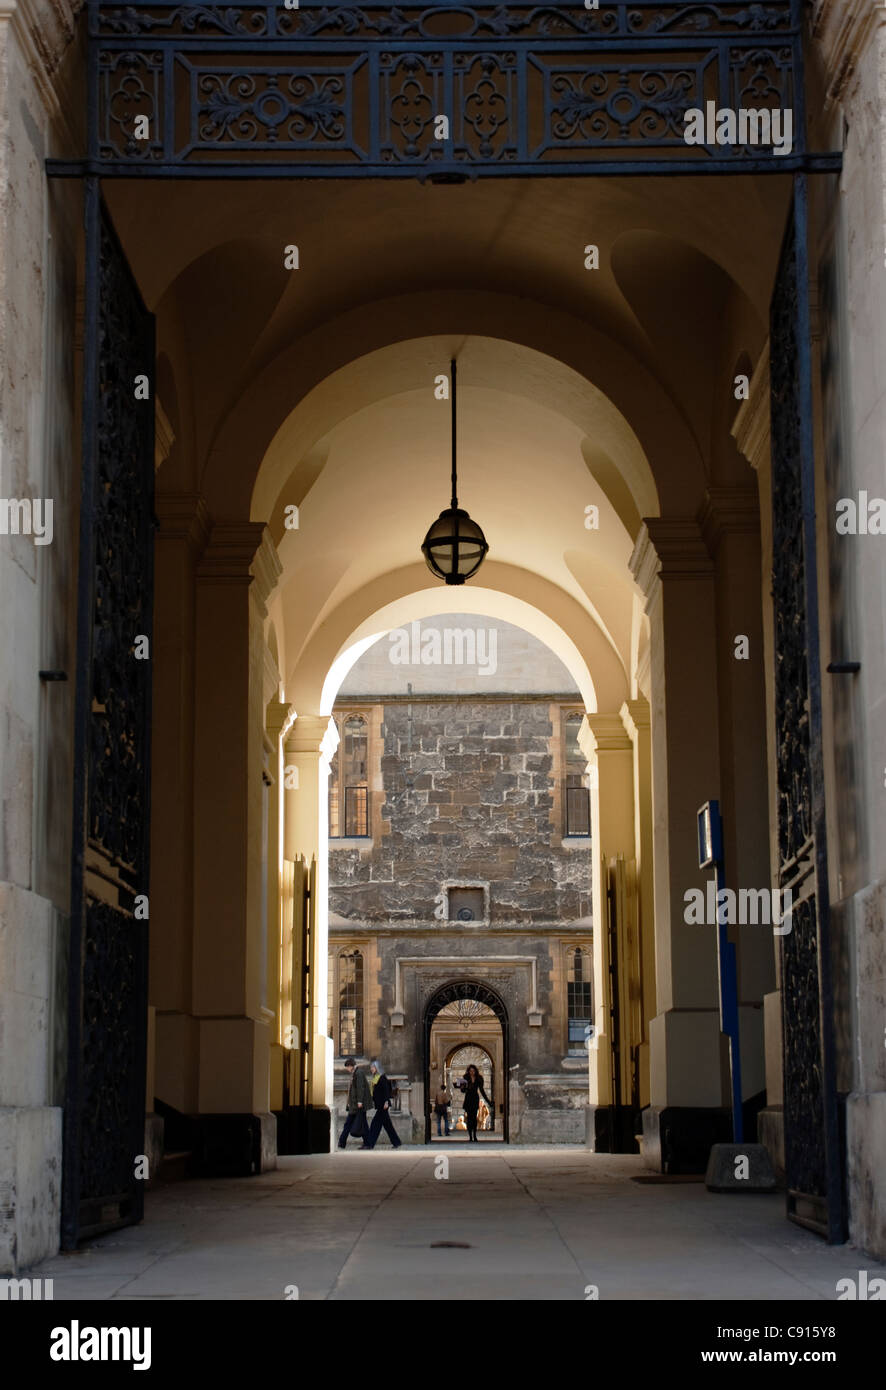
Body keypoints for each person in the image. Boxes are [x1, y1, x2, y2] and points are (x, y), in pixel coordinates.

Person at [365, 1059, 402, 1149]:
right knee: (387, 1125)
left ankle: (370, 1144)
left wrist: (386, 1102)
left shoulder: (382, 1077)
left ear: (377, 1068)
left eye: (372, 1067)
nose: (371, 1069)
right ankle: (396, 1142)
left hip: (383, 1105)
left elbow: (386, 1091)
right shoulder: (376, 1077)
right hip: (380, 1105)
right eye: (371, 1067)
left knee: (375, 1124)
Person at [337, 1056, 372, 1149]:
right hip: (355, 1105)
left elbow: (360, 1088)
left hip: (358, 1105)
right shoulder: (355, 1073)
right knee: (361, 1124)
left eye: (347, 1067)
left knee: (351, 1124)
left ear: (351, 1066)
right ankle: (367, 1143)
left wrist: (360, 1101)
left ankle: (342, 1142)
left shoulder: (359, 1073)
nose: (347, 1069)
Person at [461, 1064, 490, 1143]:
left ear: (475, 1071)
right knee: (469, 1118)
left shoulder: (479, 1078)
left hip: (475, 1098)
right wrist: (462, 1087)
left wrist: (488, 1101)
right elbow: (463, 1091)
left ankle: (475, 1135)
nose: (472, 1072)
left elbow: (481, 1090)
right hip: (468, 1099)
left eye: (473, 1071)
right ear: (468, 1071)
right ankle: (470, 1136)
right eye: (470, 1071)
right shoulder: (465, 1078)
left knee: (474, 1118)